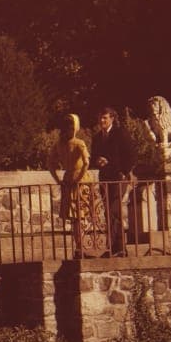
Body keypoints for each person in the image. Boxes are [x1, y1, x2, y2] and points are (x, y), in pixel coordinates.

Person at [91, 107, 136, 256]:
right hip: (105, 178)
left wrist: (124, 171)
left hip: (118, 177)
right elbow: (93, 157)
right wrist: (98, 160)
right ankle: (114, 248)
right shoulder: (97, 137)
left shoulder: (120, 133)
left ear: (112, 118)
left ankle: (119, 247)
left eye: (105, 117)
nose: (102, 120)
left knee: (115, 211)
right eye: (100, 118)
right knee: (108, 213)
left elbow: (130, 154)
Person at [48, 113, 94, 255]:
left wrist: (58, 180)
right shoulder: (79, 143)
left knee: (76, 217)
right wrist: (79, 177)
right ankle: (80, 247)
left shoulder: (58, 145)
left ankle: (79, 247)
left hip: (68, 179)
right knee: (80, 215)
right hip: (80, 180)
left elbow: (50, 164)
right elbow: (86, 162)